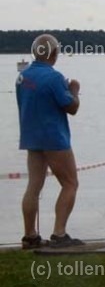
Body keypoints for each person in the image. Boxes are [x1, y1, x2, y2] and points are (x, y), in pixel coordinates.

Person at [16, 34, 84, 249]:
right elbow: (71, 107)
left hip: (31, 137)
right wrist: (74, 89)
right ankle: (59, 234)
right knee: (70, 183)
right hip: (54, 138)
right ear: (54, 53)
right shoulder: (55, 78)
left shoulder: (22, 77)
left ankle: (30, 235)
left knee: (33, 187)